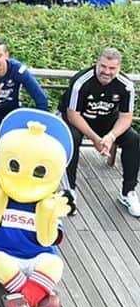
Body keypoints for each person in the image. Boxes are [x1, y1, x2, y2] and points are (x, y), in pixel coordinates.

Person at [59, 47, 139, 216]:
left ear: (119, 68)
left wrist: (111, 136)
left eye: (112, 68)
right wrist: (95, 139)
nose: (106, 72)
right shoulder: (81, 82)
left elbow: (126, 117)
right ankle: (69, 191)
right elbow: (73, 115)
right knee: (71, 138)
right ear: (97, 63)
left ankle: (128, 192)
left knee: (133, 139)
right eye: (103, 66)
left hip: (107, 121)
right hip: (78, 120)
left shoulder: (126, 86)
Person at [0, 40, 49, 202]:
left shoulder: (18, 70)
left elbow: (41, 98)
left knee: (23, 138)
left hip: (11, 111)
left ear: (6, 55)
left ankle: (21, 177)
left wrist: (41, 124)